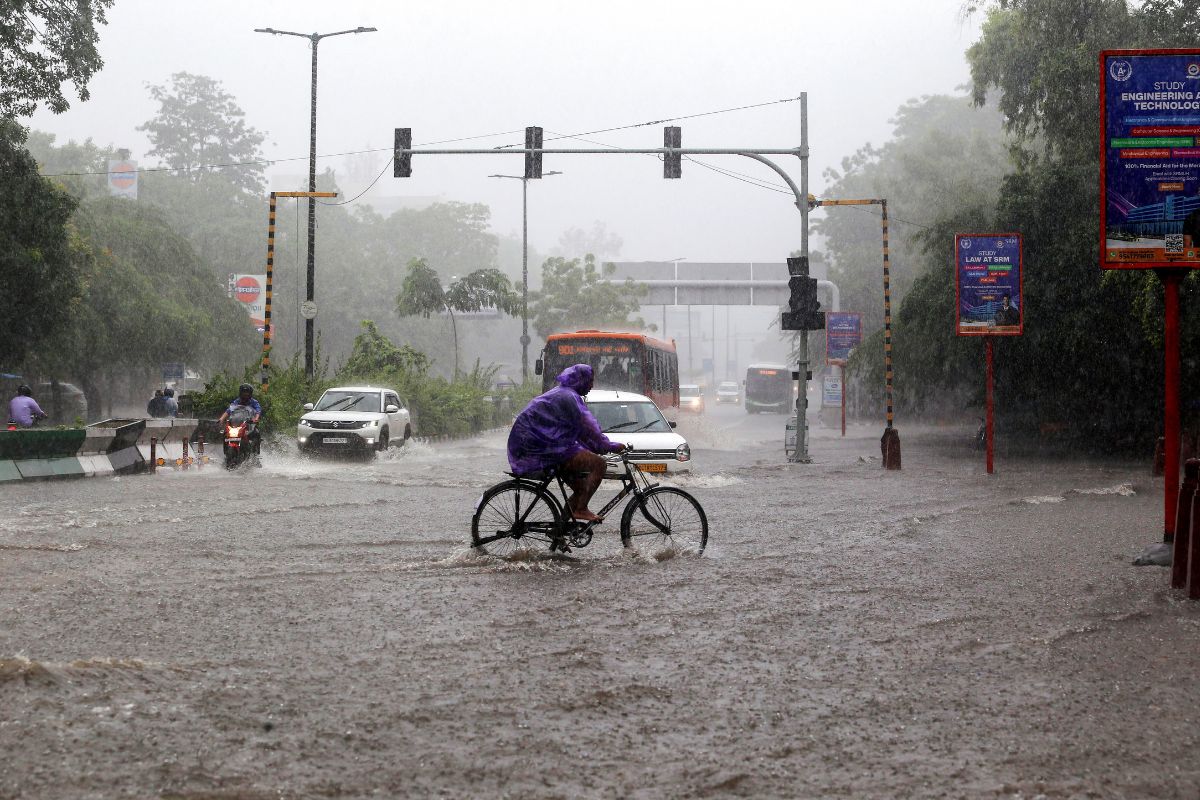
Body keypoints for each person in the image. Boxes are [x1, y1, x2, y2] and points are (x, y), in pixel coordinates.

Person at [507, 364, 627, 523]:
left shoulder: (563, 393)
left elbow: (579, 432)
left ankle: (561, 530)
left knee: (581, 488)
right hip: (539, 447)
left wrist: (599, 446)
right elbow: (588, 427)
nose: (592, 385)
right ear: (581, 380)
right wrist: (609, 446)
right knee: (599, 464)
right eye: (590, 381)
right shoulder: (569, 397)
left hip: (537, 444)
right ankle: (581, 509)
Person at [217, 384, 263, 449]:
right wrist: (221, 419)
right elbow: (229, 410)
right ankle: (226, 448)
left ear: (250, 393)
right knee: (225, 432)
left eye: (247, 392)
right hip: (238, 423)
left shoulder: (254, 402)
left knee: (256, 432)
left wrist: (256, 418)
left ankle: (255, 450)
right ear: (240, 392)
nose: (245, 394)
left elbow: (258, 411)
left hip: (249, 423)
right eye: (244, 392)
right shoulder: (237, 401)